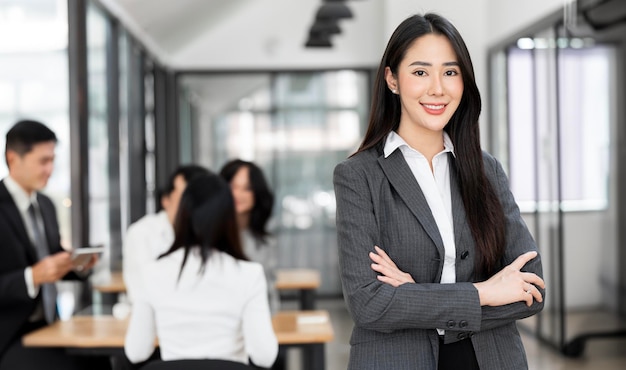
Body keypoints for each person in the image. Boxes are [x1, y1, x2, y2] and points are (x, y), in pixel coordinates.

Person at [333, 13, 545, 370]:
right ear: (392, 79)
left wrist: (413, 295)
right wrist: (484, 293)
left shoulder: (486, 169)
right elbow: (369, 304)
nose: (437, 88)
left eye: (450, 72)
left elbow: (531, 290)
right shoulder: (358, 176)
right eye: (420, 72)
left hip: (491, 358)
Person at [124, 172, 278, 368]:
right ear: (228, 218)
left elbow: (136, 352)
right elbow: (265, 356)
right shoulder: (249, 273)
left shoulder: (152, 272)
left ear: (182, 215)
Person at [0, 120, 106, 370]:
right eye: (43, 161)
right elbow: (36, 272)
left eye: (52, 160)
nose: (50, 169)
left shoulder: (46, 204)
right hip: (10, 334)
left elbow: (53, 259)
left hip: (50, 327)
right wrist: (31, 277)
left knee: (101, 359)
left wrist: (78, 265)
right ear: (13, 159)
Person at [122, 164, 209, 303]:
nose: (190, 205)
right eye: (184, 197)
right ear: (166, 200)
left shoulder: (210, 231)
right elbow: (141, 290)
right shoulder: (142, 233)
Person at [219, 159, 278, 311]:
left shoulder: (265, 242)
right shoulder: (211, 236)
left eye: (247, 188)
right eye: (233, 186)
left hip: (256, 320)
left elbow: (269, 292)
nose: (238, 194)